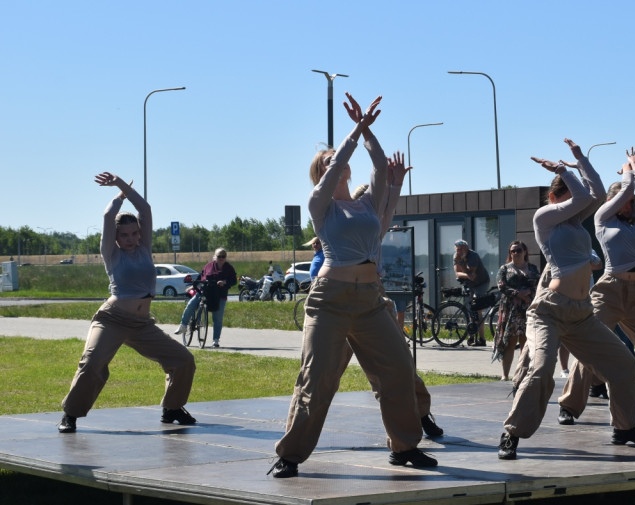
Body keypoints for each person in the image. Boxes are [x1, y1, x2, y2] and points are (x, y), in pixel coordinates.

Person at [269, 93, 436, 478]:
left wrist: (368, 132)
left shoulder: (365, 206)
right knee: (318, 378)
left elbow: (378, 165)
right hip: (330, 301)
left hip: (369, 300)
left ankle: (405, 447)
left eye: (338, 160)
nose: (337, 163)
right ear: (322, 173)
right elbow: (338, 164)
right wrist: (354, 131)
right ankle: (290, 455)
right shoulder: (320, 204)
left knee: (397, 368)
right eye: (328, 162)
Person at [499, 139, 635, 459]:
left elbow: (595, 194)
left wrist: (579, 158)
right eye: (565, 199)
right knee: (542, 370)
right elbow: (586, 196)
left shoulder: (574, 224)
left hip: (582, 314)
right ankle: (511, 433)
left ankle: (625, 428)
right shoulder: (543, 218)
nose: (573, 205)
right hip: (549, 312)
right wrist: (563, 170)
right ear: (554, 198)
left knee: (623, 364)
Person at [58, 173, 197, 433]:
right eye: (125, 235)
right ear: (117, 237)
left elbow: (145, 209)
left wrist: (122, 182)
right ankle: (70, 414)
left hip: (142, 324)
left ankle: (172, 408)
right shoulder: (110, 253)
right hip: (111, 320)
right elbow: (108, 217)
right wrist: (119, 196)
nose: (131, 238)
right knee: (91, 363)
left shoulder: (145, 248)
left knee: (183, 360)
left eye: (135, 233)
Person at [557, 148, 635, 425]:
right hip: (609, 290)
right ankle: (569, 405)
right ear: (612, 201)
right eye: (625, 201)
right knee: (589, 349)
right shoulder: (602, 218)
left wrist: (634, 167)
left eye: (632, 201)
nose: (631, 204)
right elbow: (627, 191)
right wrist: (628, 170)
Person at [492, 240, 540, 381]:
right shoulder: (505, 269)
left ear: (525, 252)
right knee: (510, 342)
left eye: (519, 250)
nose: (516, 253)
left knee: (526, 343)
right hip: (511, 309)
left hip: (528, 309)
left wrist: (528, 293)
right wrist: (518, 293)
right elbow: (501, 286)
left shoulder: (532, 268)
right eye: (513, 251)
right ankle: (505, 375)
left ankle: (522, 374)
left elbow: (539, 284)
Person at [176, 248, 237, 348]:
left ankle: (216, 340)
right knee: (191, 304)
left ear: (225, 257)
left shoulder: (229, 268)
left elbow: (234, 280)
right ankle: (183, 325)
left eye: (223, 256)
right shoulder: (208, 266)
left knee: (217, 318)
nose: (221, 258)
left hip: (220, 294)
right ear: (215, 257)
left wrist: (225, 282)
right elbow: (200, 277)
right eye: (219, 256)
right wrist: (193, 286)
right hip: (205, 291)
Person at [453, 239, 491, 346]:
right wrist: (467, 275)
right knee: (470, 310)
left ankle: (482, 339)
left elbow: (471, 274)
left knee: (477, 308)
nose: (458, 252)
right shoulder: (456, 256)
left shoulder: (473, 256)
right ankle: (471, 337)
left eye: (461, 249)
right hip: (469, 283)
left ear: (466, 248)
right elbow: (458, 273)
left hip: (481, 282)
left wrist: (461, 263)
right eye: (457, 249)